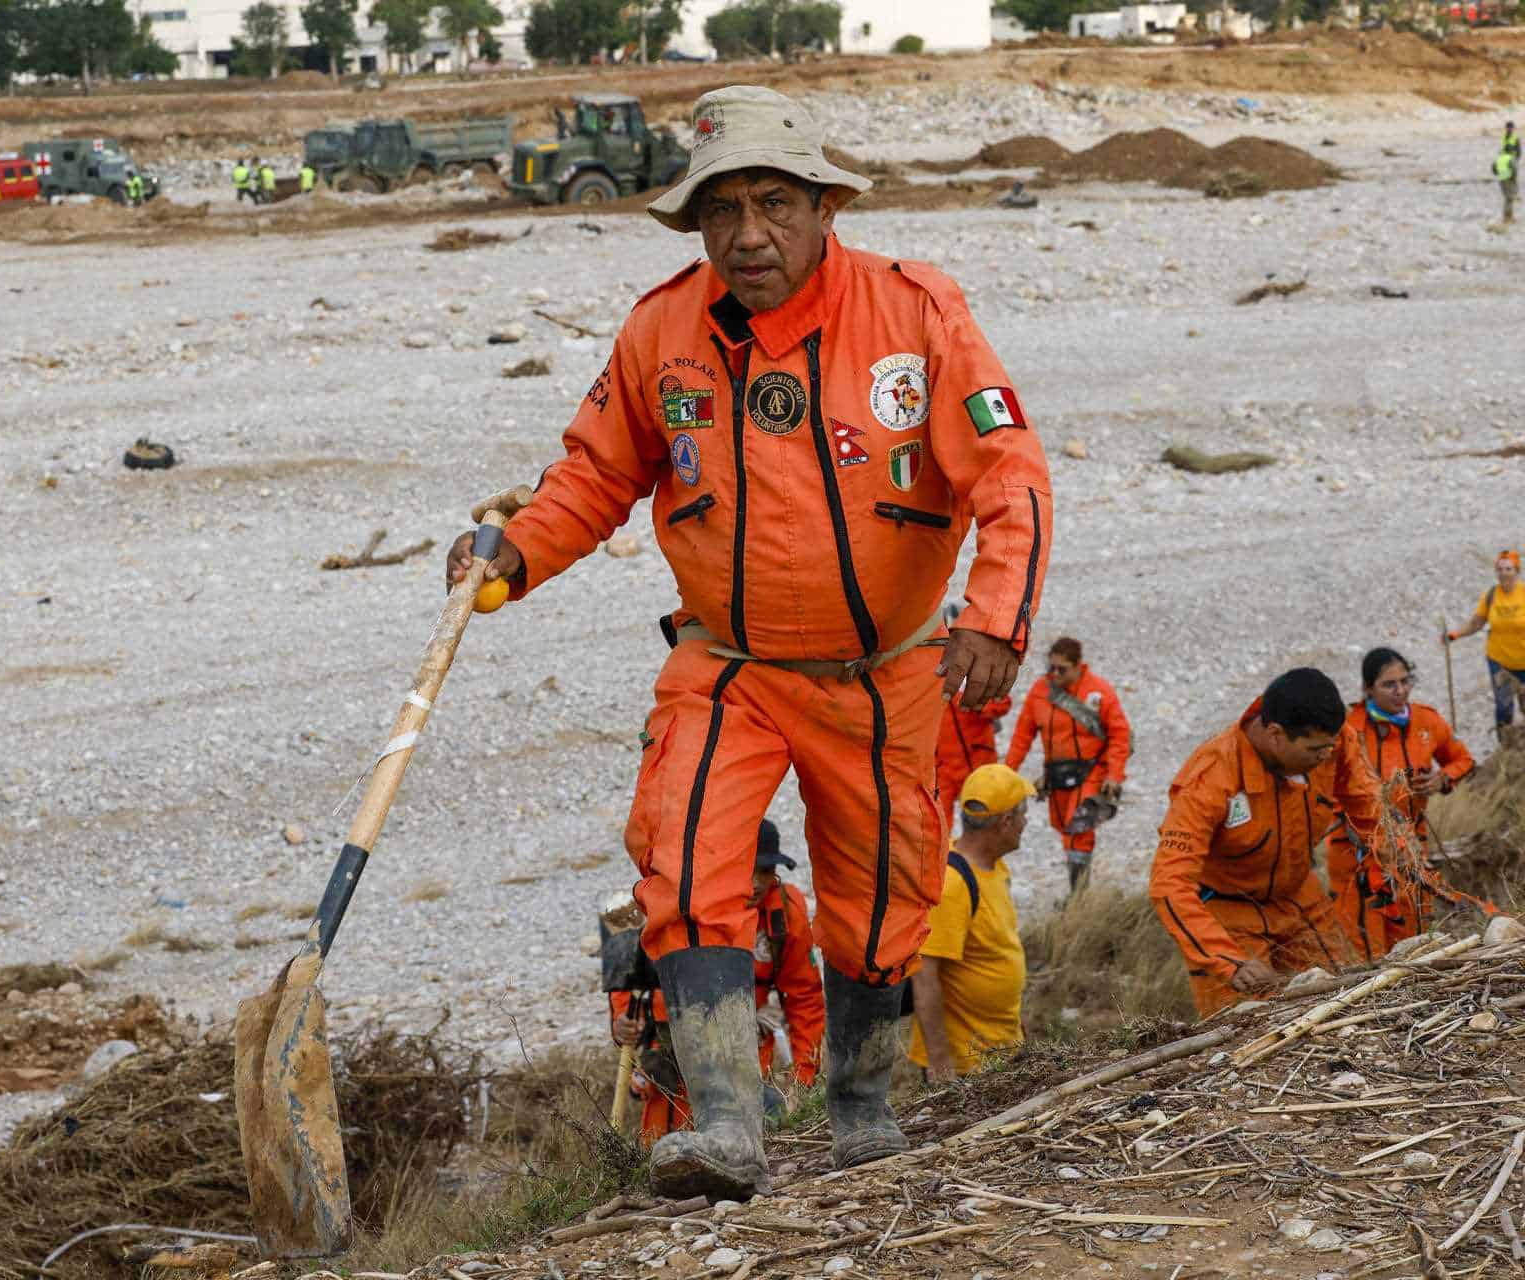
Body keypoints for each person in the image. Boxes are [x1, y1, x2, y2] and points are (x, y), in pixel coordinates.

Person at [446, 84, 1052, 1198]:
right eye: (722, 209)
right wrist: (514, 554)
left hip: (885, 676)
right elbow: (596, 472)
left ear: (827, 206)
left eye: (774, 202)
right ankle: (727, 1122)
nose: (748, 234)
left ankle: (864, 1102)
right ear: (696, 222)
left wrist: (997, 619)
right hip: (727, 663)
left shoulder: (916, 313)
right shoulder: (660, 329)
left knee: (879, 908)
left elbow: (1009, 474)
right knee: (682, 856)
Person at [1149, 668, 1375, 1018]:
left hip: (1301, 899)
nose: (1325, 757)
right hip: (1228, 915)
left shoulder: (1332, 739)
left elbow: (1369, 805)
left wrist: (1393, 858)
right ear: (1275, 734)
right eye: (1315, 750)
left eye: (1330, 747)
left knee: (1349, 999)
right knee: (1246, 1030)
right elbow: (1169, 885)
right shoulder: (1211, 777)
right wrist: (1226, 959)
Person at [609, 821, 826, 1146]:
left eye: (765, 871)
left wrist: (801, 1079)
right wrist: (621, 1021)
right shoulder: (663, 903)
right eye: (747, 869)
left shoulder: (784, 912)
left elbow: (806, 998)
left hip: (747, 1057)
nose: (755, 883)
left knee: (748, 1140)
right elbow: (626, 991)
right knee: (663, 1148)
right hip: (672, 1057)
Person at [1327, 648, 1478, 958]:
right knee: (1364, 942)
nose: (1401, 691)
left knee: (1414, 935)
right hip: (1355, 849)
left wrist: (1443, 778)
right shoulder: (1348, 729)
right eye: (1389, 685)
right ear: (1368, 688)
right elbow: (1325, 788)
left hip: (1410, 844)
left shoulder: (1426, 721)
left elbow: (1462, 759)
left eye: (1405, 681)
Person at [908, 764, 1031, 1082]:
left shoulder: (996, 869)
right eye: (1022, 814)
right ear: (1005, 822)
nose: (1026, 822)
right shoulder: (951, 884)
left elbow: (1001, 951)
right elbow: (925, 976)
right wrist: (940, 1064)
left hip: (1002, 1051)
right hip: (966, 1066)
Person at [1004, 637, 1131, 890]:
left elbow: (1120, 734)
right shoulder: (1040, 692)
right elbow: (1022, 737)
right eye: (1051, 668)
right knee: (1064, 828)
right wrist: (1005, 773)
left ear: (1077, 666)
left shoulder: (1099, 692)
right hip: (1057, 776)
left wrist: (1114, 775)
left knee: (1079, 828)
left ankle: (1079, 898)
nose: (1055, 674)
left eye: (1061, 669)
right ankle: (1078, 894)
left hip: (1091, 772)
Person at [934, 607, 1010, 834]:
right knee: (938, 829)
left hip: (978, 764)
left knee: (986, 828)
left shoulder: (978, 663)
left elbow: (1001, 702)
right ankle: (943, 867)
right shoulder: (927, 670)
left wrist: (970, 699)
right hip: (942, 769)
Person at [1445, 550, 1525, 743]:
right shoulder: (1491, 596)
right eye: (1500, 569)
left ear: (1517, 571)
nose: (1504, 573)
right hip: (1499, 662)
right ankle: (1505, 749)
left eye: (1508, 569)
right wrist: (1454, 635)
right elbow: (1477, 623)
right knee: (1503, 706)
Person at [1498, 122, 1520, 227]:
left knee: (1507, 197)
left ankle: (1507, 216)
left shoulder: (1515, 138)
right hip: (1508, 170)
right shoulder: (1504, 138)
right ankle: (1508, 217)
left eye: (1511, 128)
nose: (1509, 129)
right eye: (1508, 127)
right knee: (1510, 197)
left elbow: (1519, 152)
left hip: (1504, 170)